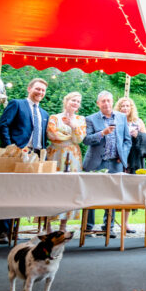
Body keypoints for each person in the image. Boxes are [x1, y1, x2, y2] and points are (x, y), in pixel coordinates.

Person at [0, 78, 48, 242]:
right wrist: (10, 147)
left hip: (35, 156)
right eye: (37, 89)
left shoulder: (44, 113)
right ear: (29, 88)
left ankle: (16, 229)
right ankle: (3, 231)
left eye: (43, 90)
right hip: (16, 154)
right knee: (9, 191)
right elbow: (3, 125)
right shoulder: (17, 104)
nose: (40, 92)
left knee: (26, 193)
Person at [84, 90, 133, 235]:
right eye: (103, 101)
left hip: (114, 163)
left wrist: (122, 155)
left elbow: (127, 141)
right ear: (98, 103)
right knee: (91, 194)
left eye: (108, 101)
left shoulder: (121, 117)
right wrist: (102, 133)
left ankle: (108, 227)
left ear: (112, 102)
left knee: (112, 195)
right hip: (95, 163)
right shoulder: (90, 119)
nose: (106, 103)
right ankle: (88, 226)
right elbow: (86, 139)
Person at [44, 91, 87, 232]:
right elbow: (52, 134)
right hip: (55, 155)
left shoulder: (80, 119)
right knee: (51, 188)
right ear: (66, 101)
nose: (75, 103)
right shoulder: (54, 118)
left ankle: (63, 226)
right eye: (73, 100)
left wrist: (73, 126)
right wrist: (70, 135)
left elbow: (79, 139)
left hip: (73, 156)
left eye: (78, 101)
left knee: (69, 189)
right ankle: (48, 225)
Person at [115, 96, 146, 174]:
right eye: (122, 106)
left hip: (135, 159)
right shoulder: (115, 122)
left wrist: (138, 135)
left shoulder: (138, 122)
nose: (125, 108)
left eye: (127, 106)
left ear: (131, 108)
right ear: (119, 108)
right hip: (119, 157)